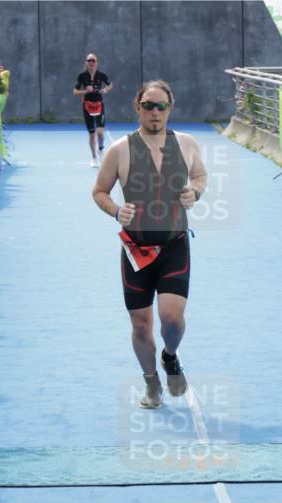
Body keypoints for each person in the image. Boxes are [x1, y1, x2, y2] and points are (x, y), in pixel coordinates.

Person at [91, 80, 207, 409]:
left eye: (161, 106)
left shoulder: (186, 144)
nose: (155, 112)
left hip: (174, 244)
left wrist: (195, 192)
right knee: (141, 326)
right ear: (137, 108)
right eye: (148, 106)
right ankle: (151, 381)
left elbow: (200, 176)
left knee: (172, 318)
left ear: (170, 109)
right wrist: (116, 210)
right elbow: (99, 191)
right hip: (136, 249)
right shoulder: (120, 150)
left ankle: (170, 355)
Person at [73, 53, 112, 168]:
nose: (91, 63)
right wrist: (85, 91)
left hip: (99, 105)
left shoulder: (101, 75)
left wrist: (105, 90)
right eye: (89, 60)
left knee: (100, 132)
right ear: (86, 63)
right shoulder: (82, 76)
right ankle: (94, 157)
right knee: (91, 134)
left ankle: (100, 149)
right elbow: (75, 92)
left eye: (93, 61)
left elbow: (110, 84)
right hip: (87, 106)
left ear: (96, 63)